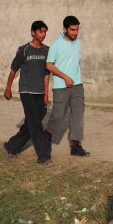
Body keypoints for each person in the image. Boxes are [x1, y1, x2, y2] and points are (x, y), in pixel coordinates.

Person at [3, 20, 53, 167]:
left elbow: (46, 74)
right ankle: (44, 157)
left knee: (32, 122)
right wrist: (8, 88)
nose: (43, 34)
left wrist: (46, 94)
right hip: (26, 91)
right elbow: (13, 70)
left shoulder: (46, 51)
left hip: (40, 91)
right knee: (36, 125)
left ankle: (12, 146)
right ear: (33, 33)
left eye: (45, 32)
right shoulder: (23, 50)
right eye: (40, 31)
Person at [45, 15, 90, 157]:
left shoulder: (78, 42)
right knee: (58, 116)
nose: (75, 33)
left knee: (77, 116)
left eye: (77, 30)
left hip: (77, 85)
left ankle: (75, 146)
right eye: (72, 30)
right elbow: (49, 65)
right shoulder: (56, 45)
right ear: (65, 29)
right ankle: (45, 138)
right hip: (61, 86)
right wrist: (65, 77)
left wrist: (75, 79)